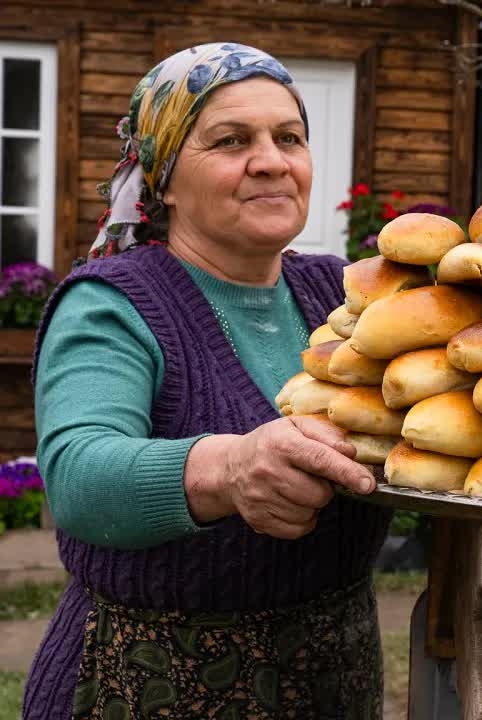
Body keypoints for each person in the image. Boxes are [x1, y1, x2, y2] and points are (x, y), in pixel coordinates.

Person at [23, 43, 391, 719]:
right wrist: (230, 469)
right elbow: (79, 474)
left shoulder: (344, 298)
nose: (272, 160)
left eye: (289, 138)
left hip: (330, 684)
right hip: (144, 685)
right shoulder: (114, 303)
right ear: (163, 178)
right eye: (231, 141)